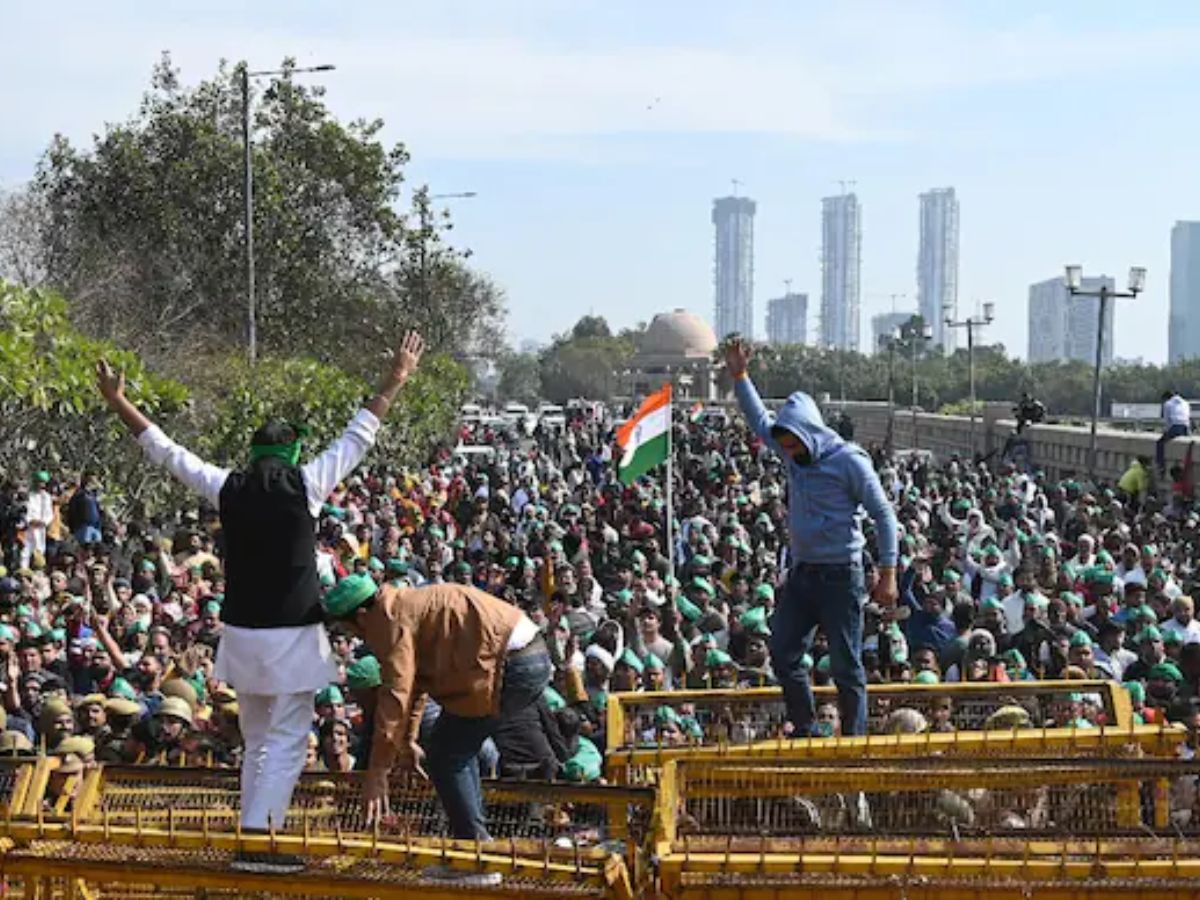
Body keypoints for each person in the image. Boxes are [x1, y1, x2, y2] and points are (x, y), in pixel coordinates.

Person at [95, 330, 425, 874]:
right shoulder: (308, 483)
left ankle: (255, 835)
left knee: (257, 740)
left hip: (242, 638)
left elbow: (166, 451)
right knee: (288, 741)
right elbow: (359, 434)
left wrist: (118, 402)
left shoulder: (227, 486)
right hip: (292, 638)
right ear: (292, 452)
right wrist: (395, 378)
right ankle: (259, 843)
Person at [322, 572, 547, 885]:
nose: (359, 639)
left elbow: (396, 694)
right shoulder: (402, 606)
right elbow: (416, 684)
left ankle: (476, 857)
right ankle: (474, 849)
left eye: (350, 630)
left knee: (446, 754)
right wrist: (409, 741)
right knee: (450, 750)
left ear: (362, 616)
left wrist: (377, 773)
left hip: (512, 662)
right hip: (523, 657)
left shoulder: (390, 620)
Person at [724, 337, 898, 736]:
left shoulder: (848, 461)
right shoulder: (787, 448)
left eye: (794, 444)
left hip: (841, 574)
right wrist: (740, 377)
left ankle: (853, 739)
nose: (788, 451)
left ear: (811, 434)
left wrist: (887, 572)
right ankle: (806, 727)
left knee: (845, 664)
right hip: (803, 573)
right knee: (783, 652)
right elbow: (758, 420)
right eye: (783, 444)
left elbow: (883, 514)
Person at [1158, 390, 1191, 478]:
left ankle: (1161, 467)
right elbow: (1187, 417)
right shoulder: (1185, 402)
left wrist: (1166, 432)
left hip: (1175, 427)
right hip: (1185, 427)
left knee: (1160, 443)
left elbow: (1167, 421)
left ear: (1165, 398)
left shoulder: (1167, 404)